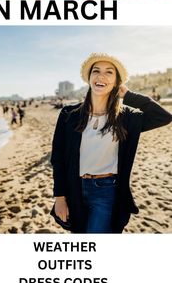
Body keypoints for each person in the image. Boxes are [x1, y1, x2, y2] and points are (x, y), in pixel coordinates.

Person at [50, 53, 172, 233]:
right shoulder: (69, 114)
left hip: (106, 191)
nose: (101, 76)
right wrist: (60, 196)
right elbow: (58, 157)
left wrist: (128, 94)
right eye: (96, 71)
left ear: (117, 82)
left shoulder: (127, 118)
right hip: (74, 187)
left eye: (109, 72)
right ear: (89, 78)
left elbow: (163, 116)